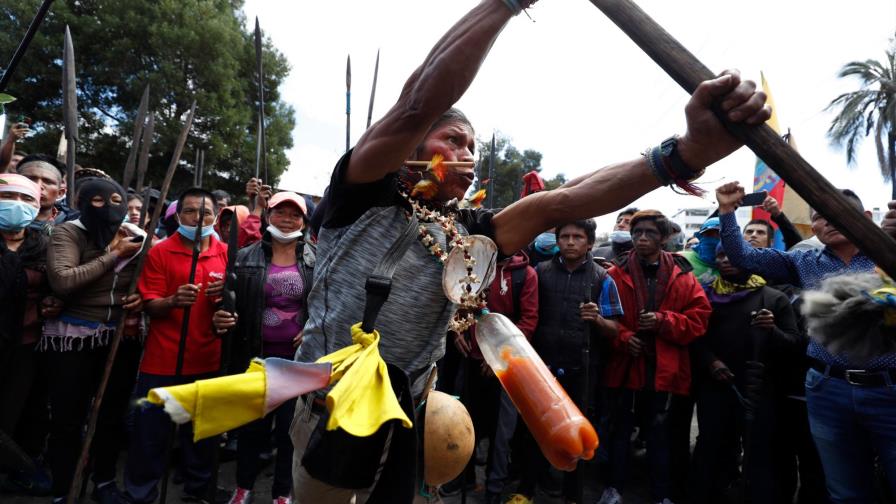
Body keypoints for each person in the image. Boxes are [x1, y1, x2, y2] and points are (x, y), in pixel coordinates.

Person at [291, 1, 770, 501]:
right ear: (414, 142)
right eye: (452, 139)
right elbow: (419, 101)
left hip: (406, 408)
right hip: (331, 404)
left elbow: (560, 202)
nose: (467, 156)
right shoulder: (362, 188)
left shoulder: (472, 231)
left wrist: (687, 151)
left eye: (472, 146)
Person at [716, 182, 890, 503]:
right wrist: (727, 211)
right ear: (814, 227)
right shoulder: (805, 262)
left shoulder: (888, 255)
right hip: (828, 390)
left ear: (866, 216)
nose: (829, 221)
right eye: (820, 217)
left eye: (840, 213)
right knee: (845, 490)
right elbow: (742, 256)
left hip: (888, 391)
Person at [43, 177, 144, 504]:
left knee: (111, 415)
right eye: (98, 201)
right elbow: (63, 281)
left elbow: (155, 276)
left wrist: (143, 297)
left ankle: (103, 481)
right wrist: (113, 254)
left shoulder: (138, 237)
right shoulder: (68, 232)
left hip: (120, 336)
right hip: (74, 336)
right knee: (67, 417)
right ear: (82, 202)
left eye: (117, 199)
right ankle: (64, 487)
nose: (109, 207)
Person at [599, 210, 711, 504]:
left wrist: (663, 321)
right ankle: (614, 489)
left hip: (664, 370)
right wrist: (624, 339)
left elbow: (699, 320)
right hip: (625, 366)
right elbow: (603, 317)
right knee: (620, 433)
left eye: (649, 233)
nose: (642, 238)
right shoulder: (615, 273)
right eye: (637, 233)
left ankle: (662, 495)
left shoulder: (683, 275)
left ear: (663, 237)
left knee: (660, 436)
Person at [125, 188, 228, 504]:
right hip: (162, 361)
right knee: (150, 436)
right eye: (191, 211)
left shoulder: (226, 252)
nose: (199, 218)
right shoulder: (160, 252)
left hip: (209, 359)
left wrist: (225, 299)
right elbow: (149, 304)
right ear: (178, 215)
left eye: (206, 212)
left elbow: (237, 304)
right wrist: (171, 301)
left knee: (202, 437)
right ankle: (140, 493)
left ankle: (199, 491)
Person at [212, 191, 315, 504]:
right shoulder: (244, 257)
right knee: (252, 429)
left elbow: (328, 305)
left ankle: (281, 492)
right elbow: (226, 303)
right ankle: (243, 486)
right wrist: (220, 315)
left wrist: (312, 328)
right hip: (254, 357)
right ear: (268, 216)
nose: (287, 219)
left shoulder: (316, 260)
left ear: (304, 221)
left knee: (288, 431)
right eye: (280, 212)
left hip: (297, 362)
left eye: (294, 214)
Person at [514, 219, 622, 503]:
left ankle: (572, 496)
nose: (570, 242)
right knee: (533, 432)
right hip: (542, 370)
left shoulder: (603, 279)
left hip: (582, 370)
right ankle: (526, 490)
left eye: (577, 237)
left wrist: (597, 319)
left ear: (589, 243)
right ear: (557, 240)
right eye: (565, 236)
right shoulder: (540, 272)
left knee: (578, 436)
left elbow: (616, 329)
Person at [689, 246, 800, 504]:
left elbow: (794, 343)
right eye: (720, 256)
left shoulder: (773, 299)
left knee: (758, 450)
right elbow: (694, 337)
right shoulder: (705, 295)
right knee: (711, 446)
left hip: (758, 387)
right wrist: (711, 361)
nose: (725, 260)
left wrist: (772, 330)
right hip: (715, 384)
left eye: (731, 254)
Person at [0, 174, 57, 495]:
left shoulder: (44, 247)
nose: (15, 205)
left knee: (13, 413)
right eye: (7, 196)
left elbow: (58, 288)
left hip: (25, 344)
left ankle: (16, 469)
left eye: (26, 200)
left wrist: (54, 301)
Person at [17, 154, 76, 232]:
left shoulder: (74, 225)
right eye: (30, 179)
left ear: (60, 193)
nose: (38, 186)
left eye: (48, 182)